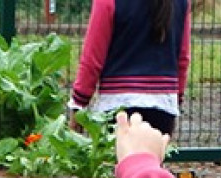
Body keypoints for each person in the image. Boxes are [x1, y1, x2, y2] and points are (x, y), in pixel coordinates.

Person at [69, 0, 191, 136]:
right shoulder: (182, 2)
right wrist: (175, 98)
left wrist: (78, 104)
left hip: (117, 105)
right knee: (150, 158)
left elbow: (92, 59)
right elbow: (182, 58)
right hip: (163, 107)